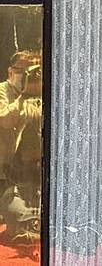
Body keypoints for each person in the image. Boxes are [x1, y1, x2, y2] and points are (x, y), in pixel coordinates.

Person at [0, 51, 42, 243]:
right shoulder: (3, 91)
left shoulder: (38, 95)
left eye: (32, 71)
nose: (28, 75)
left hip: (31, 172)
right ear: (10, 72)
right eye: (22, 71)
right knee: (14, 212)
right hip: (6, 172)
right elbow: (5, 120)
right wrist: (24, 95)